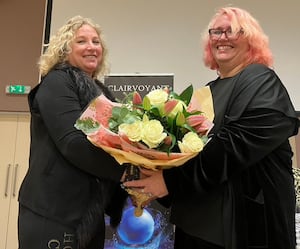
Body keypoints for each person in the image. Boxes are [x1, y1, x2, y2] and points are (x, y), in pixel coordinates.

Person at [124, 6, 300, 249]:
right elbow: (187, 153)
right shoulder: (208, 90)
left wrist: (169, 182)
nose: (222, 37)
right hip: (195, 227)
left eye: (232, 31)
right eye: (216, 32)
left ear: (250, 39)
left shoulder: (261, 81)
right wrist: (151, 173)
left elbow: (235, 147)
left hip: (243, 230)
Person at [18, 16, 128, 249]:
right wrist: (127, 173)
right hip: (52, 212)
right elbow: (72, 143)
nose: (91, 47)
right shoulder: (57, 82)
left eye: (96, 42)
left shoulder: (103, 94)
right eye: (81, 41)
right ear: (65, 49)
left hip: (89, 215)